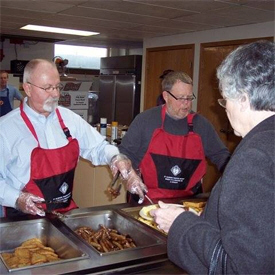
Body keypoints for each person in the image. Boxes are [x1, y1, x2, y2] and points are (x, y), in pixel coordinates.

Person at [151, 40, 275, 274]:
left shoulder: (254, 158)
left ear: (244, 99)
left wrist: (181, 223)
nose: (224, 109)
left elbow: (240, 266)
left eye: (225, 99)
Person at [0, 59, 147, 218]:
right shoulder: (6, 128)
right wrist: (17, 198)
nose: (55, 94)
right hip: (23, 218)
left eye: (57, 86)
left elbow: (97, 147)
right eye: (47, 88)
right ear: (27, 88)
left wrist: (116, 158)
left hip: (65, 215)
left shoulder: (69, 119)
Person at [119, 71, 230, 201]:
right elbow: (124, 154)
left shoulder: (201, 125)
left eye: (189, 98)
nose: (186, 103)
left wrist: (237, 176)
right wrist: (130, 175)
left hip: (189, 203)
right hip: (147, 201)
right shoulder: (145, 121)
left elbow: (221, 156)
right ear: (166, 96)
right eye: (181, 98)